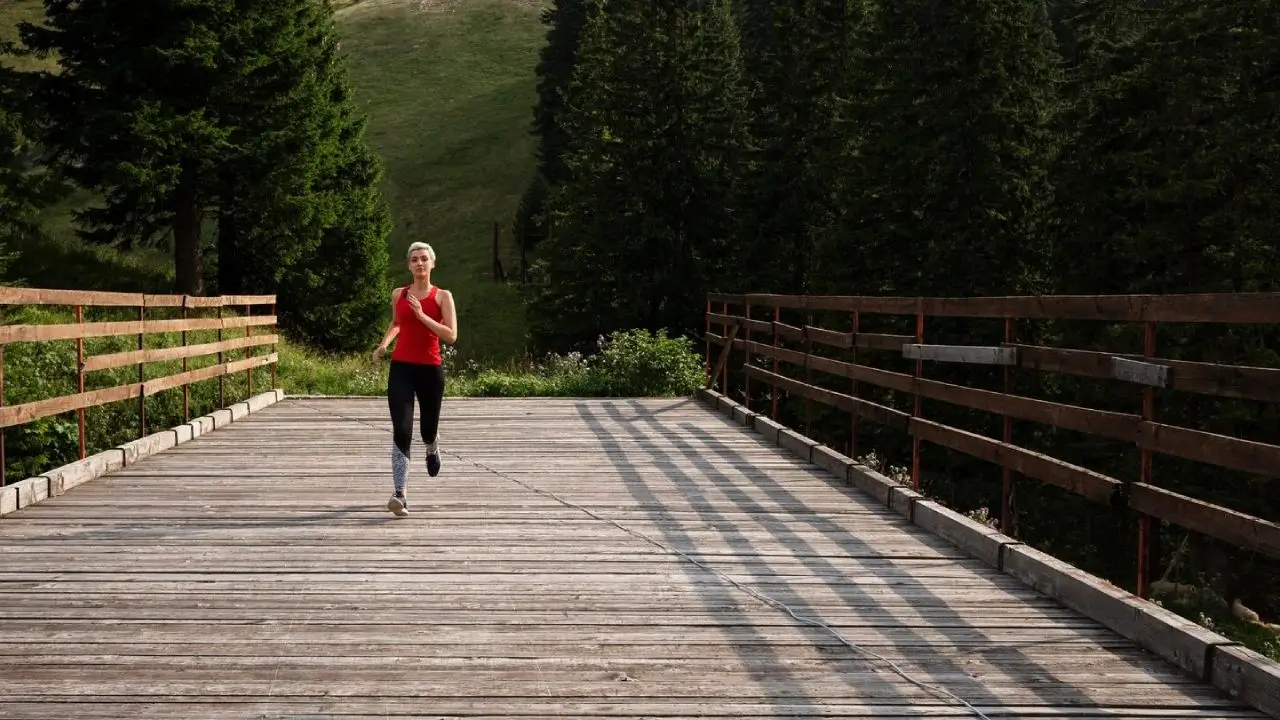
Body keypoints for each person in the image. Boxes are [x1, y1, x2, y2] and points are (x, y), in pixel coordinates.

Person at [372, 242, 458, 517]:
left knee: (426, 430)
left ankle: (432, 447)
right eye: (414, 260)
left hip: (431, 370)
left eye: (423, 259)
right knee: (402, 430)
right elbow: (397, 323)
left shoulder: (442, 296)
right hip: (402, 369)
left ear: (432, 264)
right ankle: (400, 494)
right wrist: (384, 344)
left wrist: (421, 315)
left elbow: (451, 335)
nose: (419, 264)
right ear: (408, 265)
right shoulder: (399, 293)